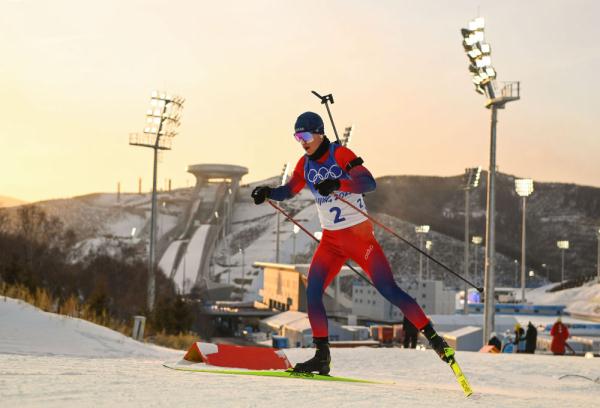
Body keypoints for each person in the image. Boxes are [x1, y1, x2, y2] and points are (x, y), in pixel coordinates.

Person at [251, 111, 451, 375]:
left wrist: (338, 183)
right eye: (297, 136)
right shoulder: (304, 165)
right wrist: (268, 193)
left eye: (306, 135)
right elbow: (289, 191)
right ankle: (322, 357)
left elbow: (369, 183)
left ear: (320, 133)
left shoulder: (340, 154)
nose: (302, 141)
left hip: (358, 237)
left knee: (388, 289)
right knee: (312, 293)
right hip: (331, 241)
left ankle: (436, 340)